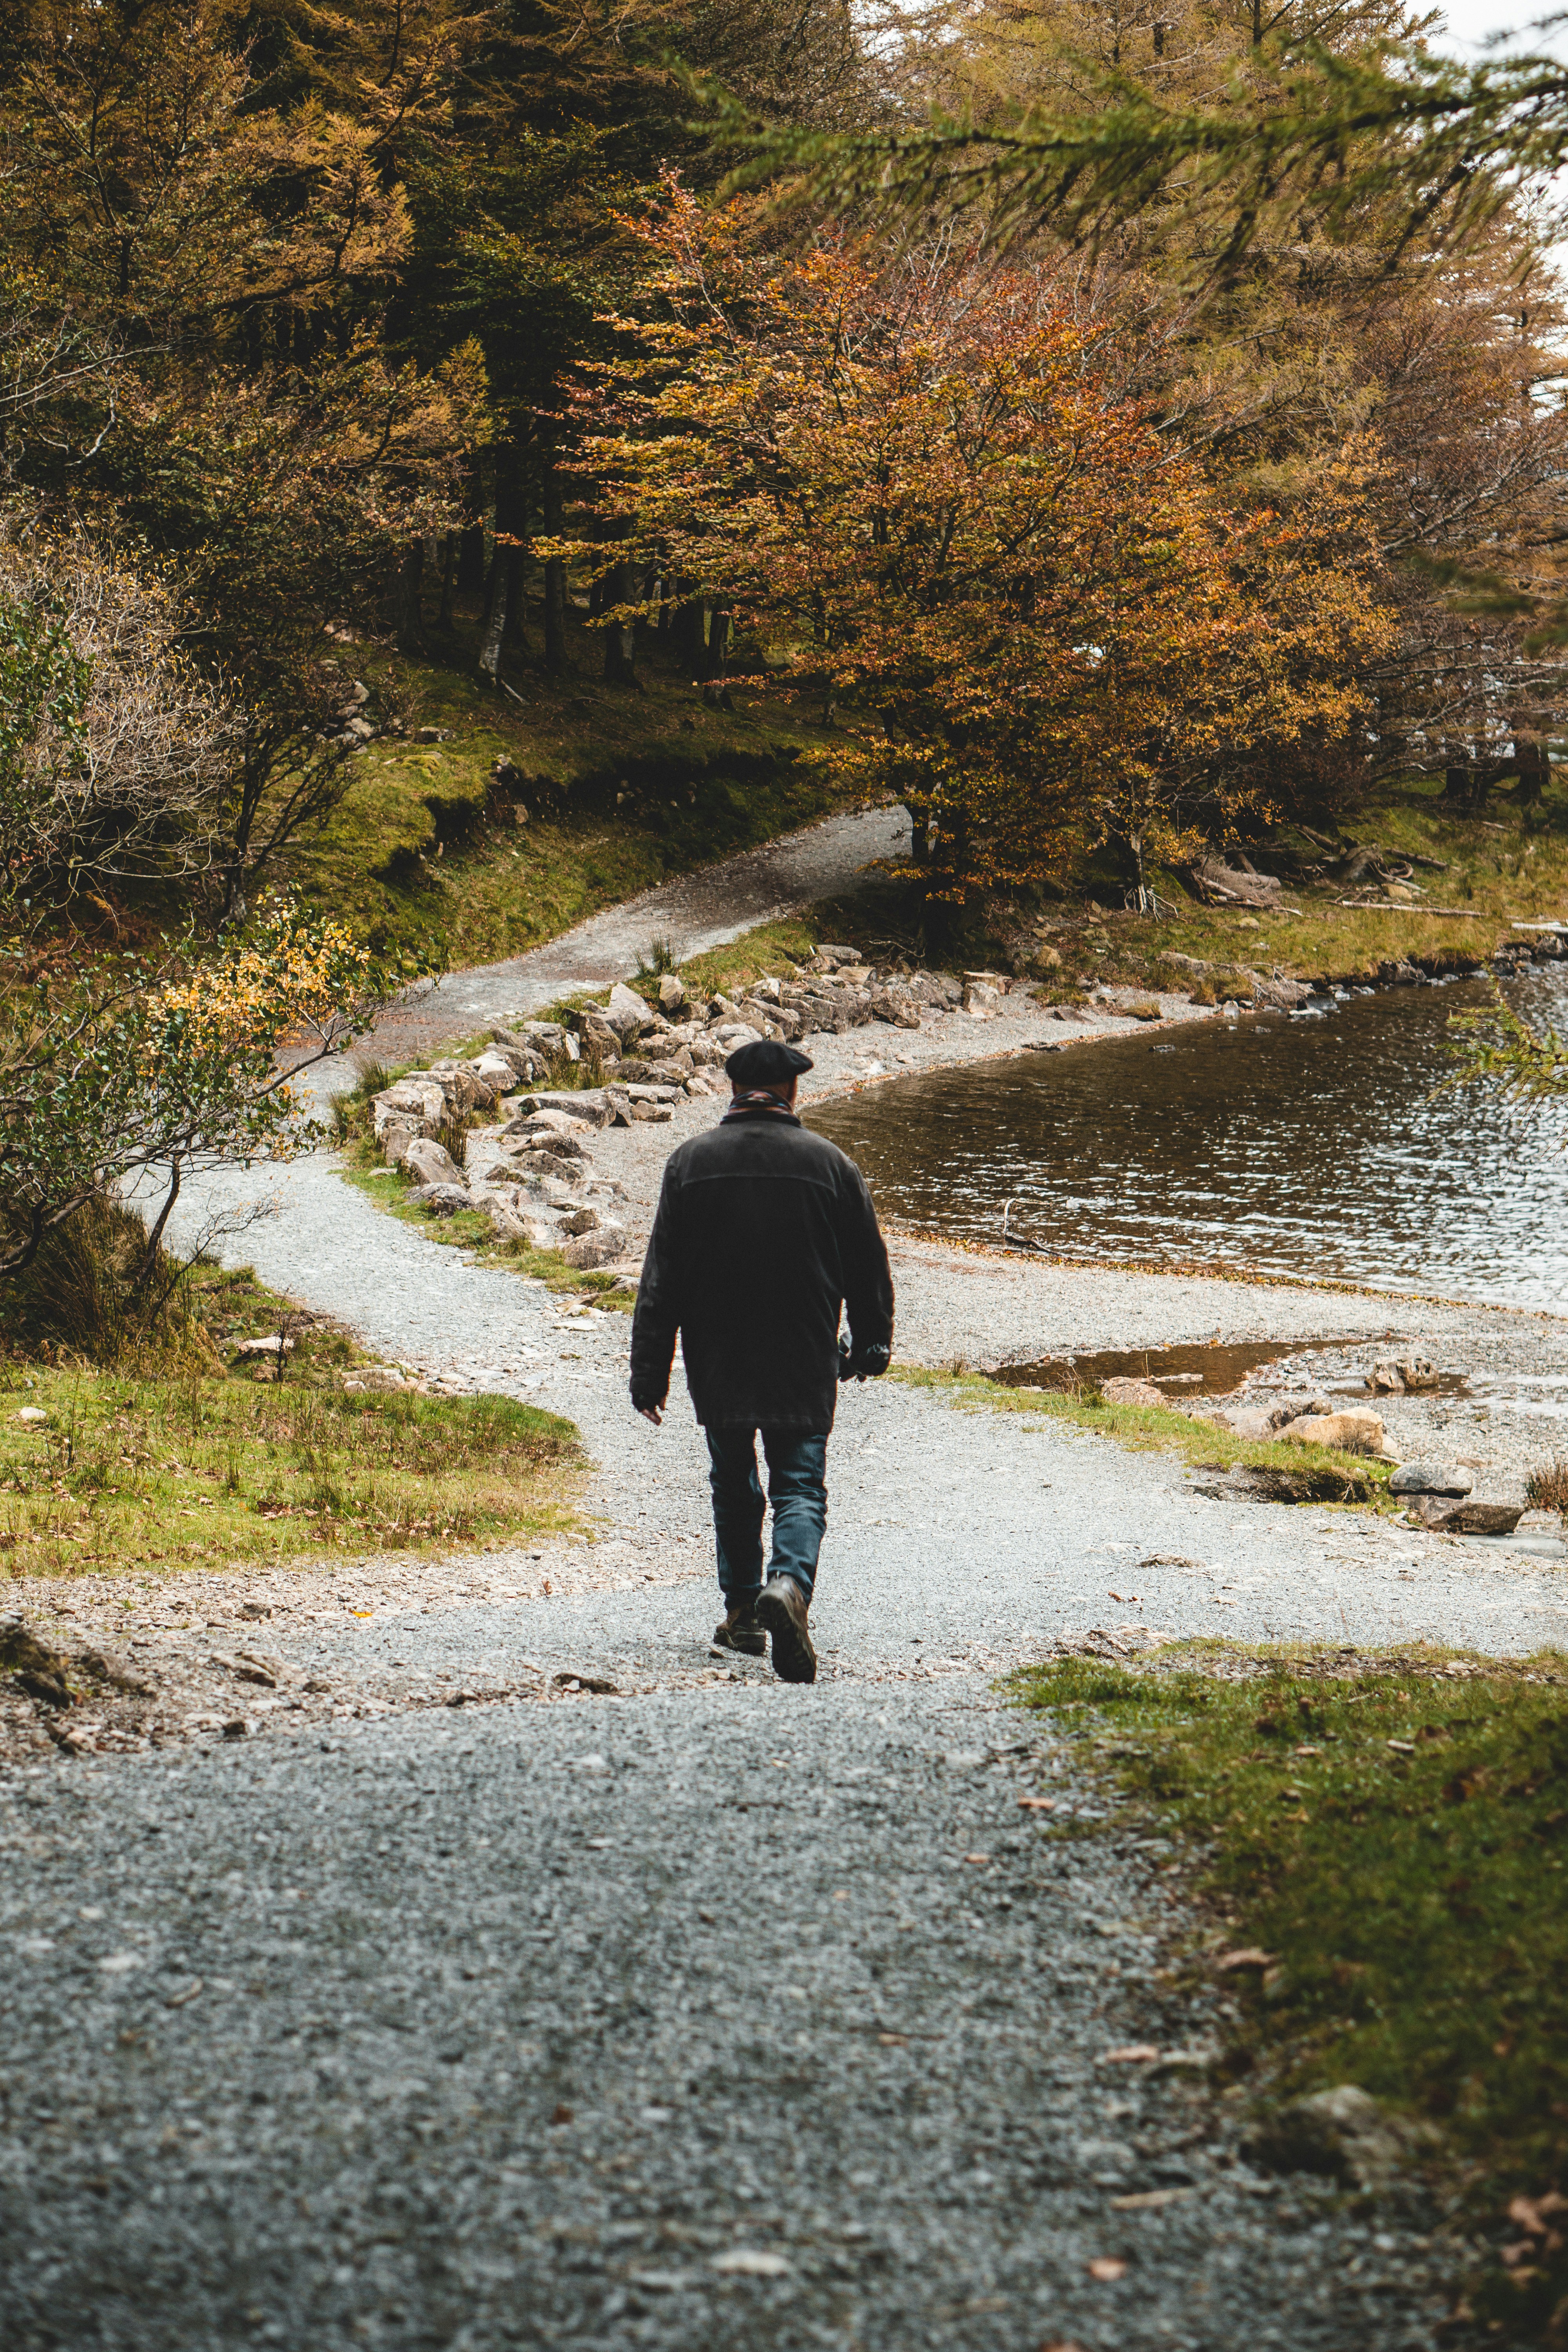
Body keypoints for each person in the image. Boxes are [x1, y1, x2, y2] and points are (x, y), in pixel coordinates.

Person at [628, 1036, 895, 1683]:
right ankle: (789, 1587)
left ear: (733, 1088)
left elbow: (661, 1277)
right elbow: (867, 1268)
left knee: (733, 1483)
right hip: (802, 1351)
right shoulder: (831, 1164)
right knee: (800, 1484)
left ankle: (744, 1612)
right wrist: (871, 1344)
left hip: (717, 1354)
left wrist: (649, 1372)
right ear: (793, 1091)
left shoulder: (691, 1163)